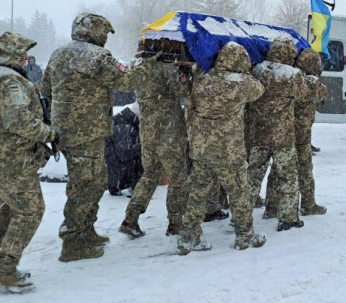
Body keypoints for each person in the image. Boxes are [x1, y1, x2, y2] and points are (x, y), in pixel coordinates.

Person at [42, 13, 157, 262]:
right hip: (87, 132)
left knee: (91, 182)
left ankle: (86, 230)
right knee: (86, 187)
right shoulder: (98, 56)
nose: (105, 38)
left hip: (66, 132)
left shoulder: (59, 53)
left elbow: (47, 88)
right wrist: (148, 64)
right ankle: (73, 242)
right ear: (93, 31)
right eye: (104, 32)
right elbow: (127, 81)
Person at [0, 31, 59, 293]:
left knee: (0, 211)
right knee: (30, 210)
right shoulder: (9, 79)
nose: (25, 57)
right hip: (13, 159)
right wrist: (50, 133)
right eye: (21, 53)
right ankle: (4, 269)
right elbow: (18, 120)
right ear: (10, 53)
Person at [178, 42, 266, 254]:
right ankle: (245, 236)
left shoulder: (202, 80)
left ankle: (187, 238)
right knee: (239, 195)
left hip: (203, 150)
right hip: (229, 152)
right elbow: (259, 90)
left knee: (197, 195)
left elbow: (190, 108)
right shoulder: (241, 82)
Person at [119, 57, 191, 238]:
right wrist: (184, 72)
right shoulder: (166, 68)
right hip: (169, 132)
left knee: (149, 175)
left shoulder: (138, 66)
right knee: (177, 179)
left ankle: (130, 218)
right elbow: (184, 90)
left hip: (148, 131)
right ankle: (176, 224)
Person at [247, 37, 305, 231]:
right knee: (288, 176)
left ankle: (241, 215)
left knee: (252, 176)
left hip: (259, 134)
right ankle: (288, 218)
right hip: (283, 136)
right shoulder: (293, 74)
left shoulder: (256, 70)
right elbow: (304, 94)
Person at [294, 48, 328, 215]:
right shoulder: (312, 82)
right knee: (305, 169)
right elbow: (323, 94)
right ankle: (308, 205)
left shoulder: (291, 77)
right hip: (302, 132)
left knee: (281, 172)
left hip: (285, 131)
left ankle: (274, 206)